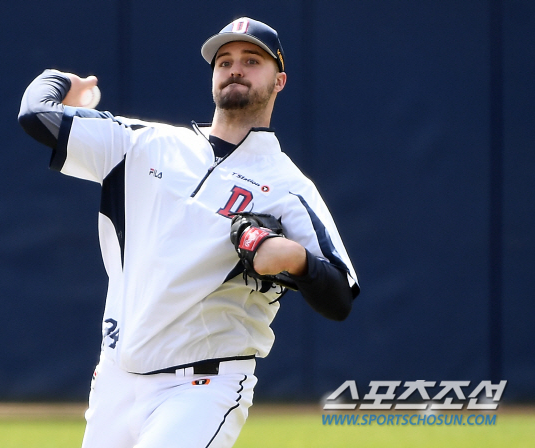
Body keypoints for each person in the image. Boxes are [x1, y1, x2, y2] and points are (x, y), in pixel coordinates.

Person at [18, 16, 359, 448]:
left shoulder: (289, 188)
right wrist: (61, 81)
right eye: (225, 61)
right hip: (116, 380)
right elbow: (36, 115)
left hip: (201, 388)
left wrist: (297, 261)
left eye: (252, 60)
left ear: (280, 81)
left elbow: (340, 298)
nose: (235, 68)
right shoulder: (143, 144)